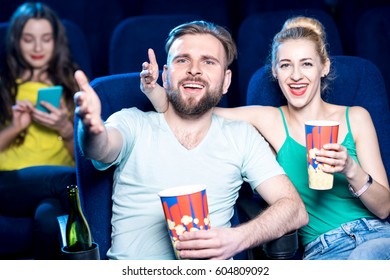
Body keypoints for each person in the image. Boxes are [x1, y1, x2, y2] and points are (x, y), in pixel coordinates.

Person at [142, 16, 390, 260]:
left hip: (377, 237)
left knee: (367, 254)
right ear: (274, 70)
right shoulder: (269, 120)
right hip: (324, 251)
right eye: (285, 65)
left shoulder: (356, 118)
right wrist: (155, 90)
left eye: (306, 64)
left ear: (323, 67)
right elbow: (195, 109)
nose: (295, 76)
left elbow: (384, 208)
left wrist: (351, 169)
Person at [74, 20, 308, 260]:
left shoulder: (242, 136)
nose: (194, 69)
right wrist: (90, 127)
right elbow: (100, 148)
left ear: (226, 81)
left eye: (208, 61)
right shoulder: (132, 122)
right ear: (165, 76)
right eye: (182, 60)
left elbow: (294, 208)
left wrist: (238, 238)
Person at [0, 2, 79, 259]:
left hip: (53, 190)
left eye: (45, 39)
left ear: (56, 42)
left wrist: (65, 128)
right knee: (71, 183)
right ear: (15, 40)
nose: (37, 48)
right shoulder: (4, 87)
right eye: (28, 39)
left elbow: (86, 157)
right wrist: (15, 127)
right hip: (9, 183)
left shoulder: (70, 88)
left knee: (49, 221)